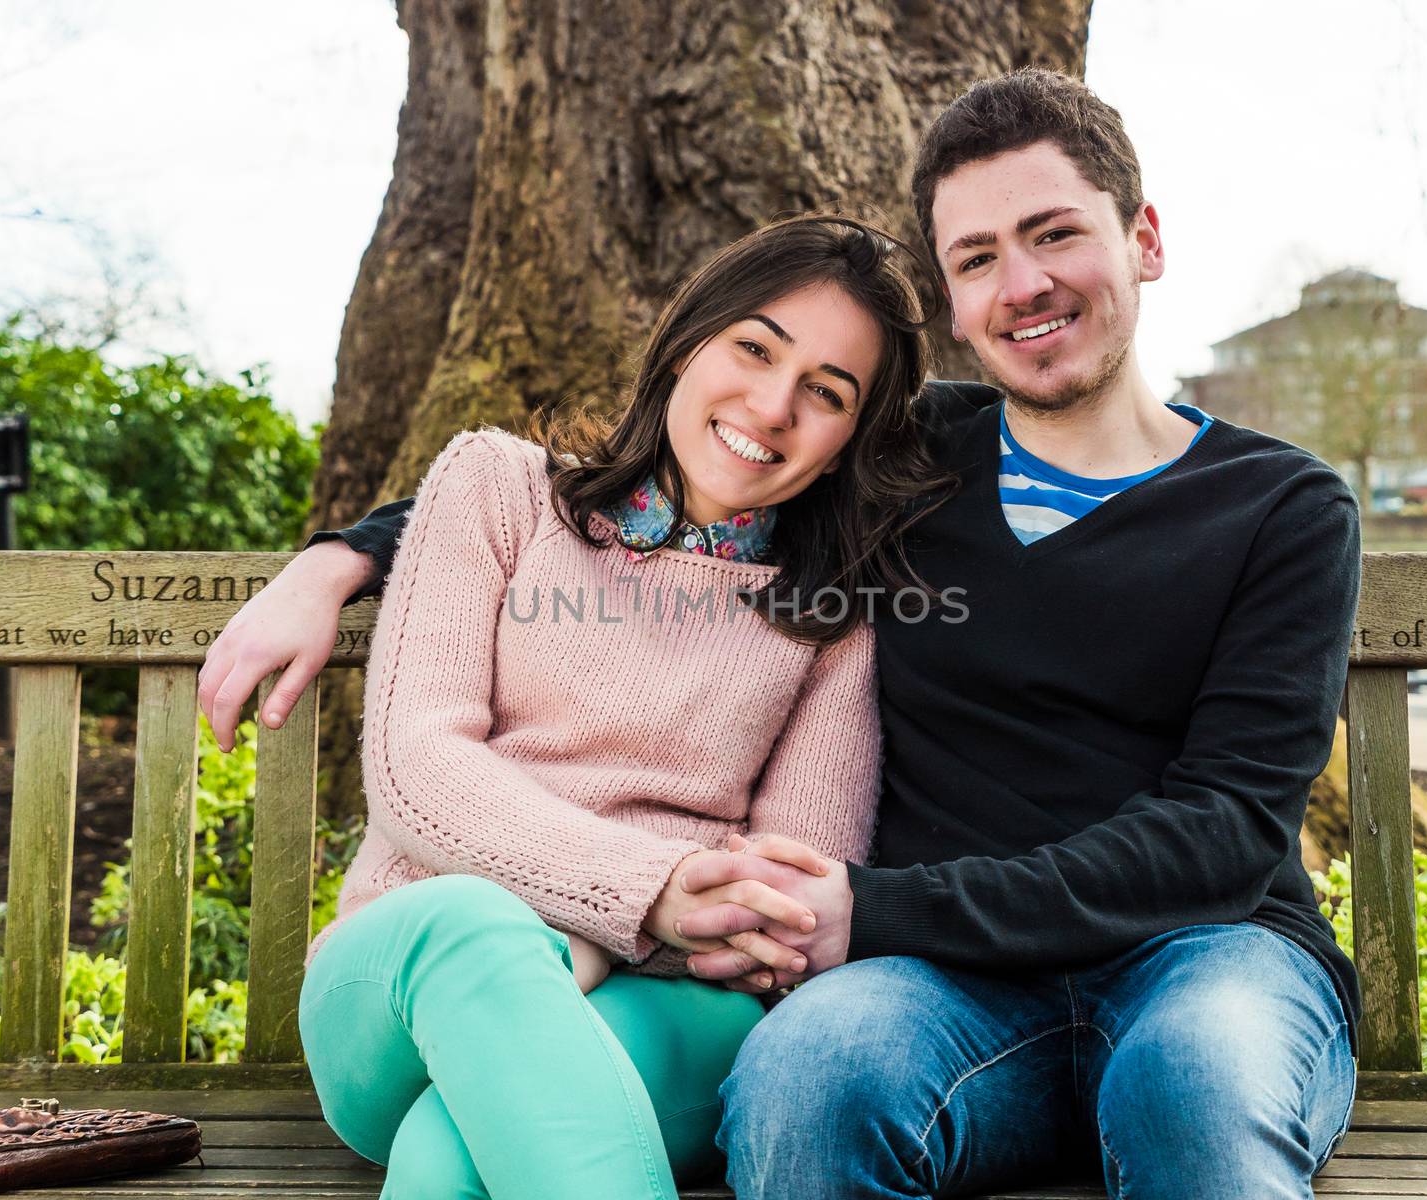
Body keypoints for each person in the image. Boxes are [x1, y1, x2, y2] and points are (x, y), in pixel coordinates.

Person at [205, 71, 1363, 1200]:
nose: (1021, 284)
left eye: (1055, 234)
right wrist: (337, 557)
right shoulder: (915, 467)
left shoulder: (1279, 509)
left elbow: (1222, 827)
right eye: (975, 258)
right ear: (954, 302)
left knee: (1193, 1086)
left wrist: (849, 910)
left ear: (1142, 239)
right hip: (935, 988)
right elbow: (587, 492)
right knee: (808, 1082)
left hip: (1200, 948)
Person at [203, 213, 952, 1200]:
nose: (773, 406)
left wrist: (609, 941)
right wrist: (624, 905)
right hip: (404, 985)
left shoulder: (829, 618)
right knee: (468, 924)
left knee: (450, 1154)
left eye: (826, 393)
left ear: (851, 436)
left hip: (669, 1015)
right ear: (688, 342)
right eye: (754, 349)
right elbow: (416, 772)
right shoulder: (498, 491)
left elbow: (777, 917)